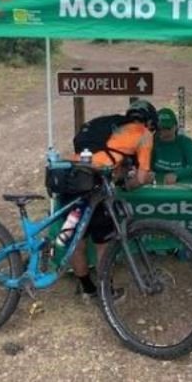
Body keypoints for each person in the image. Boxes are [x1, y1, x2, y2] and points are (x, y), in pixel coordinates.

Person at [68, 99, 158, 300]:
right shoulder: (143, 134)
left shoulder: (109, 125)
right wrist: (135, 182)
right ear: (150, 123)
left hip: (72, 179)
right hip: (96, 185)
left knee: (77, 241)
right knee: (103, 244)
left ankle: (86, 289)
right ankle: (106, 292)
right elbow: (140, 178)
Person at [151, 107, 192, 185]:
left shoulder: (186, 143)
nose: (163, 130)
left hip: (182, 185)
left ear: (175, 127)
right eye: (160, 128)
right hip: (157, 185)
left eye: (167, 128)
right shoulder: (152, 142)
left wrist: (177, 174)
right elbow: (146, 167)